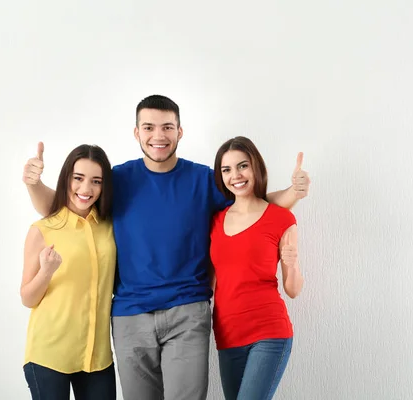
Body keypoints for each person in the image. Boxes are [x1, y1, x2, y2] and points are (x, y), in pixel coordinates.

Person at [21, 95, 310, 400]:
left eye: (167, 127)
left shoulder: (203, 179)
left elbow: (256, 205)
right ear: (137, 133)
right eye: (148, 127)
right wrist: (33, 184)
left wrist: (294, 192)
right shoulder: (117, 179)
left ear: (179, 132)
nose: (158, 136)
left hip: (187, 310)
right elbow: (62, 210)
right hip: (130, 315)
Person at [210, 136, 304, 400]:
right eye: (226, 170)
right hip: (227, 335)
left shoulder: (282, 218)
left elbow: (293, 289)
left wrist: (292, 261)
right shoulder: (215, 220)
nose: (235, 175)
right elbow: (212, 281)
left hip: (269, 333)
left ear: (256, 168)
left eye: (243, 166)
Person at [20, 144, 116, 400]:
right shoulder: (43, 229)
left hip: (97, 357)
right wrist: (46, 272)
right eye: (78, 178)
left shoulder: (108, 227)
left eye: (96, 181)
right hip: (49, 355)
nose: (86, 189)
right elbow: (27, 298)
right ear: (66, 179)